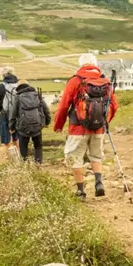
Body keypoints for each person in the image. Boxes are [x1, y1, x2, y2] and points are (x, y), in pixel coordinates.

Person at [54, 54, 119, 200]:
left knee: (75, 157)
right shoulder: (105, 82)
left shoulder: (75, 81)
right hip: (99, 129)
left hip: (78, 129)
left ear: (81, 65)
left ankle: (81, 191)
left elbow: (64, 105)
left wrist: (58, 124)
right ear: (95, 65)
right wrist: (105, 122)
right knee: (96, 156)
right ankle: (98, 183)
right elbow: (114, 105)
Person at [9, 80, 51, 164]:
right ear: (28, 86)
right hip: (37, 127)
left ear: (19, 87)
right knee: (38, 146)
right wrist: (47, 122)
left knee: (23, 147)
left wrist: (11, 127)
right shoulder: (37, 95)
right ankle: (38, 164)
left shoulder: (18, 97)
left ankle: (25, 165)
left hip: (23, 128)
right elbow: (46, 109)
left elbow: (13, 114)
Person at [0, 66, 20, 158]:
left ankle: (12, 159)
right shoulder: (19, 84)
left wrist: (2, 110)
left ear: (2, 75)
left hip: (5, 114)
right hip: (18, 114)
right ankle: (19, 157)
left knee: (6, 139)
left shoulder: (0, 87)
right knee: (16, 138)